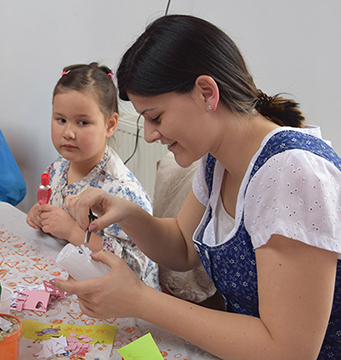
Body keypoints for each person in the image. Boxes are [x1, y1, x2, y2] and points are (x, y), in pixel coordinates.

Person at [51, 16, 341, 360]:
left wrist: (141, 300)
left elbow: (289, 351)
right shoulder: (217, 159)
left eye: (156, 117)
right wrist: (127, 213)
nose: (149, 134)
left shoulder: (291, 174)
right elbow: (183, 247)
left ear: (207, 92)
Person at [26, 62, 159, 290]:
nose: (68, 132)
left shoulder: (121, 190)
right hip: (70, 274)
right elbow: (51, 212)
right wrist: (40, 216)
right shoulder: (58, 168)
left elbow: (134, 266)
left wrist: (72, 231)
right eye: (61, 120)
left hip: (123, 298)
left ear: (110, 125)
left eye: (83, 122)